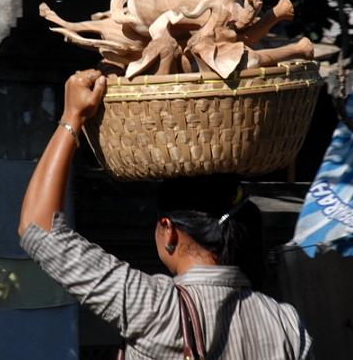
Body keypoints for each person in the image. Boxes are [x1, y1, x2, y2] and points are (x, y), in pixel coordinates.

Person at [18, 69, 313, 360]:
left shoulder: (155, 308)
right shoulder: (286, 323)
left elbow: (37, 230)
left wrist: (72, 118)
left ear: (168, 230)